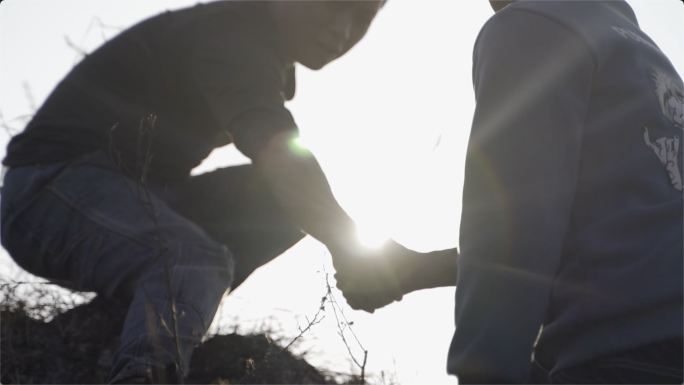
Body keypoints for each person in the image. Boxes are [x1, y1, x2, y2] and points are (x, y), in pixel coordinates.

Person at [0, 1, 458, 383]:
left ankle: (117, 325)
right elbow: (276, 149)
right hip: (46, 191)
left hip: (132, 194)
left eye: (361, 16)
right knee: (193, 258)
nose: (342, 28)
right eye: (331, 4)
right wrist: (352, 250)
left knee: (276, 201)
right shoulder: (231, 37)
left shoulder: (257, 49)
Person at [446, 0, 683, 383]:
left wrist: (483, 372)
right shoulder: (643, 52)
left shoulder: (533, 23)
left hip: (621, 355)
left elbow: (510, 228)